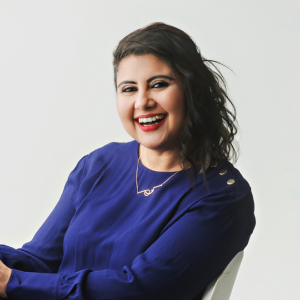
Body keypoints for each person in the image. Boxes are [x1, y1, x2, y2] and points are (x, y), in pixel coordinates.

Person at [0, 22, 256, 300]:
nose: (142, 102)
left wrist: (12, 283)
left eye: (158, 84)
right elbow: (39, 261)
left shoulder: (222, 197)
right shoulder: (99, 164)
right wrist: (12, 278)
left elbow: (140, 289)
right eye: (129, 89)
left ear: (192, 91)